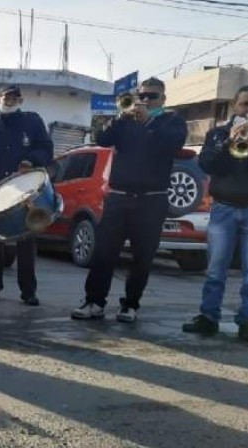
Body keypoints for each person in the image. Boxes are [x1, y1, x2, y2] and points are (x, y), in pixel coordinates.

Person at [71, 77, 187, 323]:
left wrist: (149, 121)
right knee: (103, 253)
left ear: (163, 99)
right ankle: (94, 302)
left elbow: (173, 144)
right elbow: (102, 139)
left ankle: (130, 305)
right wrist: (119, 117)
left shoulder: (172, 121)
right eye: (141, 96)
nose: (145, 101)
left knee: (143, 256)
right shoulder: (125, 121)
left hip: (151, 200)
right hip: (119, 197)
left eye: (151, 97)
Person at [182, 85, 248, 343]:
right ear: (235, 105)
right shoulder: (217, 133)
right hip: (223, 208)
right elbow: (208, 165)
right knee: (216, 269)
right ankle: (208, 318)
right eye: (245, 104)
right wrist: (229, 143)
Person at [0, 85, 53, 306]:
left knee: (27, 243)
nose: (10, 100)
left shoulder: (33, 121)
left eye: (15, 97)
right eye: (6, 97)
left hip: (24, 190)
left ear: (21, 100)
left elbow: (46, 149)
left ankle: (28, 291)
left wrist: (32, 160)